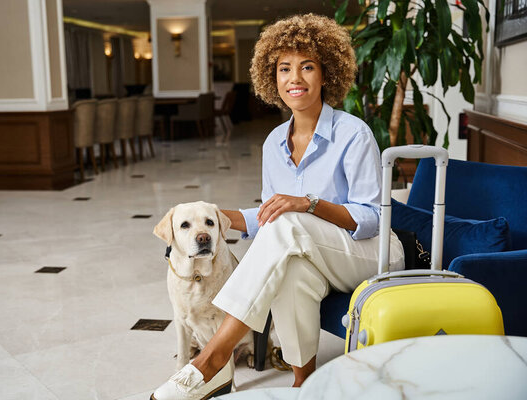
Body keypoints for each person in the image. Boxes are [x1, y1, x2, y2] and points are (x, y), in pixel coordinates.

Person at [151, 13, 405, 400]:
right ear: (273, 79)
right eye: (284, 68)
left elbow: (371, 218)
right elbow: (271, 212)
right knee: (290, 270)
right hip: (309, 250)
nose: (295, 78)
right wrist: (215, 218)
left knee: (288, 225)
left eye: (307, 67)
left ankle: (212, 359)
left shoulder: (354, 134)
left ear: (326, 74)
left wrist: (309, 203)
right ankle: (305, 381)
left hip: (370, 253)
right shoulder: (273, 143)